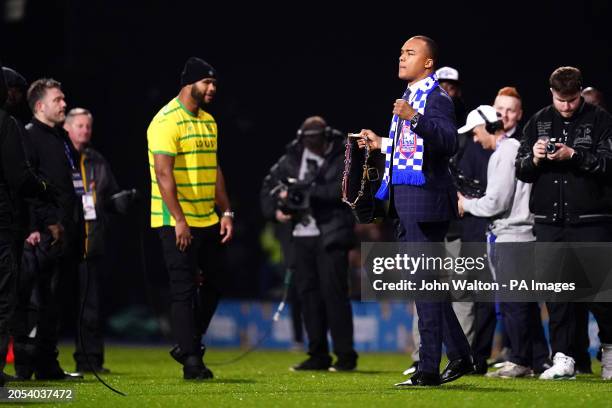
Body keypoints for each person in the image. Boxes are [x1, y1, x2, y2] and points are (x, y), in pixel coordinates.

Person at [359, 35, 472, 387]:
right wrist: (382, 143)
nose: (401, 57)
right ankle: (460, 355)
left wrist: (415, 117)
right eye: (400, 52)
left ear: (428, 63)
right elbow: (417, 148)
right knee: (429, 287)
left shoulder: (434, 97)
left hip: (424, 202)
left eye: (410, 53)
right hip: (408, 201)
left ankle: (427, 370)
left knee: (424, 286)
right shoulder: (412, 96)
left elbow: (448, 140)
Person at [516, 66, 612, 381]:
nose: (566, 106)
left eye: (571, 99)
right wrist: (535, 158)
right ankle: (563, 358)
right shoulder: (538, 120)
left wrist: (575, 155)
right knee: (556, 294)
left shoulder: (600, 120)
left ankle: (609, 350)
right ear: (551, 93)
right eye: (561, 99)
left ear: (580, 92)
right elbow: (521, 169)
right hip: (549, 222)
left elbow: (608, 166)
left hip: (591, 220)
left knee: (600, 292)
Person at [147, 57, 234, 380]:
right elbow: (163, 174)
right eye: (206, 83)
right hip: (174, 220)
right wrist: (179, 220)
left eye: (214, 84)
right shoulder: (166, 121)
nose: (212, 89)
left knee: (216, 282)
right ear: (189, 83)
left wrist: (226, 211)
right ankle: (192, 362)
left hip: (207, 217)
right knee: (183, 288)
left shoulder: (208, 122)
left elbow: (214, 170)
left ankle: (187, 342)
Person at [457, 105, 548, 378]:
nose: (474, 139)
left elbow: (497, 202)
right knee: (523, 303)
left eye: (475, 132)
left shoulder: (504, 152)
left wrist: (467, 205)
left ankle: (519, 361)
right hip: (516, 235)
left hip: (512, 235)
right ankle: (535, 359)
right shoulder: (510, 150)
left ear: (487, 126)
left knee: (514, 303)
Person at [260, 116, 357, 372]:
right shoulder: (291, 157)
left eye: (315, 139)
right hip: (300, 238)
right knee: (308, 297)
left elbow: (342, 190)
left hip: (331, 236)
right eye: (306, 139)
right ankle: (317, 354)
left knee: (334, 296)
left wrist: (305, 191)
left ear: (325, 136)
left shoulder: (342, 154)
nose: (310, 144)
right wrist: (276, 211)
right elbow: (268, 187)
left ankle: (345, 356)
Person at [13, 78, 82, 380]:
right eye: (58, 99)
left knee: (54, 303)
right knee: (33, 303)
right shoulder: (28, 137)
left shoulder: (61, 138)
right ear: (40, 106)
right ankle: (25, 366)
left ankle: (47, 365)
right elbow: (24, 187)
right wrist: (38, 224)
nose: (64, 104)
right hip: (41, 235)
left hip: (64, 233)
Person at [0, 64, 58, 386]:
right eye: (14, 91)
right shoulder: (10, 126)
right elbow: (20, 179)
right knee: (8, 297)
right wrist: (45, 190)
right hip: (6, 225)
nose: (16, 98)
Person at [64, 108, 121, 374]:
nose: (85, 130)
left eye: (88, 126)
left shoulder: (96, 160)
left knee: (91, 306)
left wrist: (120, 202)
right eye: (80, 126)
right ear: (67, 128)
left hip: (91, 243)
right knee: (51, 303)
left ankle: (90, 361)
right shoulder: (59, 155)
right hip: (62, 242)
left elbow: (110, 195)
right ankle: (36, 360)